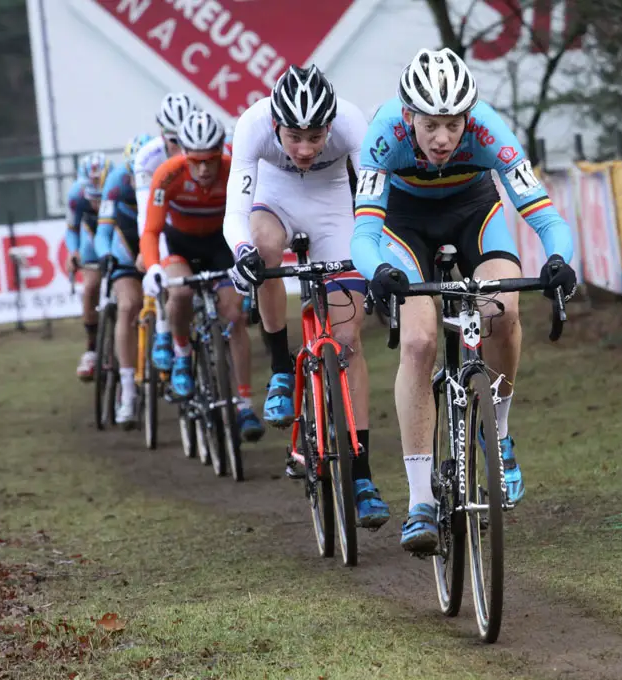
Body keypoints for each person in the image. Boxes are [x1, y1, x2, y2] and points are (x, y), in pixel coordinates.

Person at [350, 47, 578, 553]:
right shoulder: (383, 134)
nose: (442, 138)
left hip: (474, 210)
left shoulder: (488, 130)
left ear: (467, 117)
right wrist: (380, 271)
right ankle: (419, 504)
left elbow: (545, 217)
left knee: (506, 307)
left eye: (453, 124)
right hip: (403, 225)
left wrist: (559, 261)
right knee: (418, 341)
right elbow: (363, 233)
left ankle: (496, 434)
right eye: (431, 124)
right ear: (409, 115)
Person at [224, 64, 390, 528]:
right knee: (265, 251)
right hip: (274, 204)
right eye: (294, 136)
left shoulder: (353, 122)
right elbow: (235, 209)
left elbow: (377, 197)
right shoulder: (253, 124)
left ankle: (361, 476)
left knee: (347, 340)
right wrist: (243, 252)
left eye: (316, 136)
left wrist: (376, 257)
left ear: (331, 125)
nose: (304, 148)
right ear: (276, 124)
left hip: (333, 211)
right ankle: (280, 369)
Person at [139, 111, 264, 442]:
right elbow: (151, 231)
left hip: (220, 244)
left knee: (234, 316)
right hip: (179, 244)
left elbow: (257, 214)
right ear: (183, 153)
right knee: (178, 294)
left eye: (211, 159)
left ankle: (243, 403)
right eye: (196, 161)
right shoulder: (167, 175)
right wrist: (153, 267)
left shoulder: (235, 167)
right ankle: (181, 355)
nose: (205, 169)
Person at [94, 133, 153, 427]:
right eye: (134, 175)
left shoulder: (164, 173)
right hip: (125, 247)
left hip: (155, 244)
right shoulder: (115, 184)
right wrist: (105, 255)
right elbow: (102, 233)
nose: (138, 180)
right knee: (129, 306)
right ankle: (127, 390)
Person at [65, 152, 112, 381]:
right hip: (91, 238)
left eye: (101, 196)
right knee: (91, 286)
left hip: (116, 234)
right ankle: (92, 349)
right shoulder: (75, 196)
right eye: (91, 194)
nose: (96, 202)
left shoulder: (119, 191)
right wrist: (73, 252)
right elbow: (72, 229)